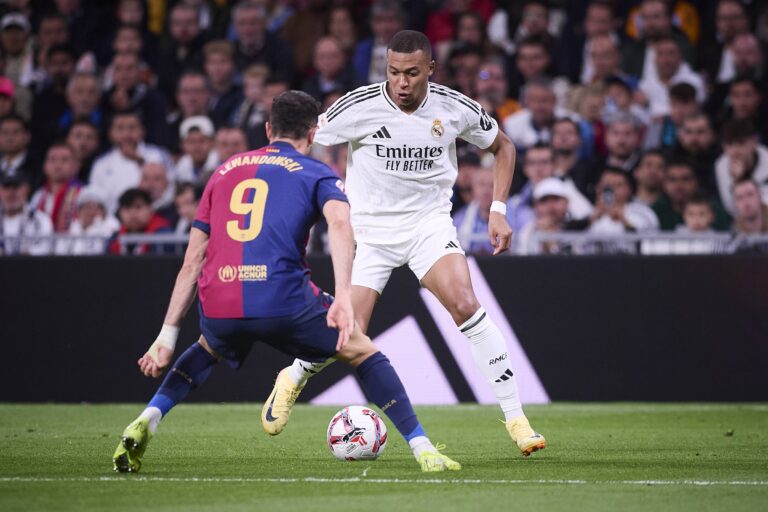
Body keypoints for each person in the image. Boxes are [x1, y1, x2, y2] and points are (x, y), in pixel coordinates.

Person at [112, 90, 460, 474]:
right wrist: (343, 295)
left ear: (267, 129)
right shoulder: (317, 172)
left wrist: (165, 335)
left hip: (221, 299)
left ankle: (149, 416)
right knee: (362, 350)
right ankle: (422, 447)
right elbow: (342, 224)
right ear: (313, 134)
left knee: (208, 345)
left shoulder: (223, 172)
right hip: (282, 299)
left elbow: (192, 260)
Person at [266, 31, 546, 457]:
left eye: (412, 73)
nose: (401, 82)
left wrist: (499, 209)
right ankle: (294, 376)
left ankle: (516, 418)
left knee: (466, 304)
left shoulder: (453, 108)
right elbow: (301, 140)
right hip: (370, 233)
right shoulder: (358, 106)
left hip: (427, 226)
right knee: (346, 333)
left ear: (430, 70)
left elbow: (503, 146)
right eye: (394, 72)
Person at [0, 173, 53, 256]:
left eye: (16, 187)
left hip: (28, 267)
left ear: (27, 189)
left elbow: (43, 250)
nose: (10, 193)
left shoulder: (40, 219)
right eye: (6, 188)